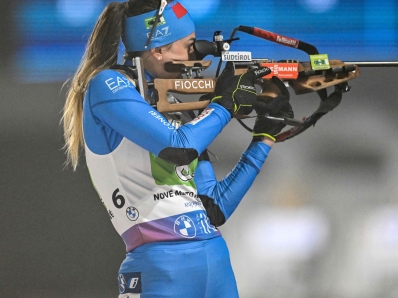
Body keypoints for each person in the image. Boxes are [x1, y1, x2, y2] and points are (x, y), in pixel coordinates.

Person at [61, 0, 293, 297]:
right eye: (189, 45)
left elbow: (214, 208)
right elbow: (179, 147)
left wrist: (265, 136)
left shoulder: (174, 103)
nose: (195, 55)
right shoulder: (108, 85)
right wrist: (224, 104)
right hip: (160, 264)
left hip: (214, 258)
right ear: (157, 49)